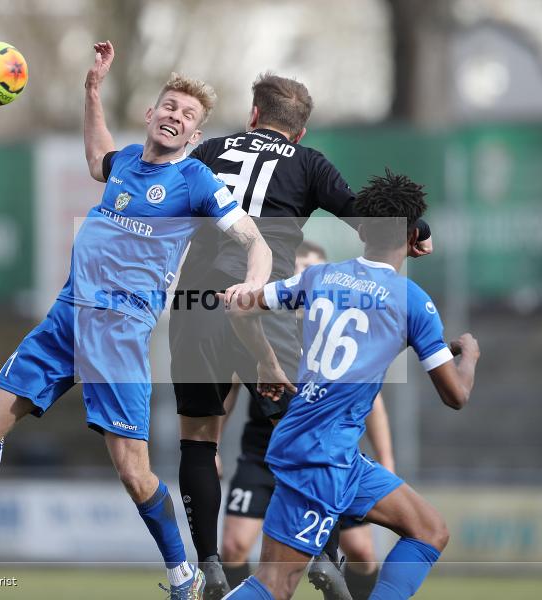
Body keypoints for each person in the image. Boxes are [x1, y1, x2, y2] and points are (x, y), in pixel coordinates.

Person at [0, 41, 272, 600]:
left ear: (195, 136)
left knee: (134, 473)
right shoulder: (126, 162)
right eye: (169, 106)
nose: (175, 116)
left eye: (188, 115)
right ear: (151, 115)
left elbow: (253, 238)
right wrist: (93, 89)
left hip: (121, 332)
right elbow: (97, 156)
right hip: (65, 319)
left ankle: (183, 575)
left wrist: (254, 280)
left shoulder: (195, 181)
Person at [168, 73, 432, 598]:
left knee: (199, 440)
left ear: (252, 115)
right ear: (300, 129)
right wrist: (416, 231)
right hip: (263, 306)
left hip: (197, 307)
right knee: (308, 427)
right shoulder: (307, 162)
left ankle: (209, 566)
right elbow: (366, 217)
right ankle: (326, 555)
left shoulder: (212, 151)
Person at [221, 169, 480, 600]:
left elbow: (241, 308)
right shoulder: (412, 300)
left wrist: (266, 362)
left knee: (429, 530)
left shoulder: (319, 277)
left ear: (361, 233)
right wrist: (468, 355)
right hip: (320, 457)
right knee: (274, 586)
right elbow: (456, 395)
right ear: (415, 237)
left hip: (336, 451)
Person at [220, 241, 395, 600]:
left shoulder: (341, 332)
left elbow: (373, 402)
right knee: (235, 545)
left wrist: (387, 460)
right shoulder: (260, 329)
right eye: (295, 267)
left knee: (362, 552)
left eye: (310, 267)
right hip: (262, 453)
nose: (301, 274)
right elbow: (229, 391)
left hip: (328, 455)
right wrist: (211, 446)